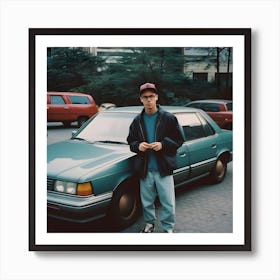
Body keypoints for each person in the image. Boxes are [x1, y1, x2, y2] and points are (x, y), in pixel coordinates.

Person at [127, 82, 184, 233]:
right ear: (141, 99)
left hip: (163, 168)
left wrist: (163, 145)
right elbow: (131, 141)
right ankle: (149, 224)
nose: (149, 100)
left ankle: (168, 228)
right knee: (146, 202)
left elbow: (179, 139)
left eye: (151, 96)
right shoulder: (137, 121)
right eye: (145, 97)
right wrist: (138, 146)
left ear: (157, 97)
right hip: (145, 169)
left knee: (168, 202)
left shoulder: (168, 118)